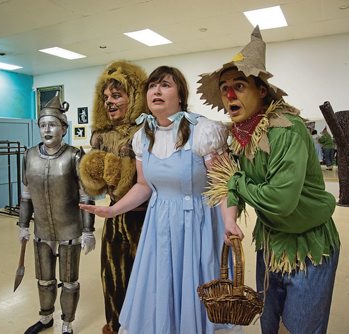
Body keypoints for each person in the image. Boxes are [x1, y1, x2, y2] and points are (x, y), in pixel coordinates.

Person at [198, 26, 341, 334]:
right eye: (224, 88)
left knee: (299, 328)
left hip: (309, 247)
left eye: (239, 85)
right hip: (270, 246)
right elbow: (228, 178)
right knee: (270, 325)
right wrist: (230, 219)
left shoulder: (286, 129)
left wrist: (237, 183)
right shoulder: (238, 136)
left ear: (261, 90)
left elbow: (280, 200)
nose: (230, 94)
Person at [81, 65, 242, 334]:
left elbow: (224, 184)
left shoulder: (203, 131)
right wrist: (113, 211)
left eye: (165, 85)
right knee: (161, 289)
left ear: (180, 95)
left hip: (198, 225)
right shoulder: (142, 137)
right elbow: (144, 186)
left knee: (196, 291)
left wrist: (229, 220)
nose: (157, 90)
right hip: (159, 226)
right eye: (152, 86)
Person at [78, 61, 148, 334]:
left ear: (134, 97)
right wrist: (94, 168)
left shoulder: (146, 131)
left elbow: (148, 181)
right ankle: (115, 326)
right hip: (113, 218)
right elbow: (93, 186)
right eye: (106, 97)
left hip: (143, 219)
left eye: (117, 96)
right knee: (112, 278)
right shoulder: (101, 135)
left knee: (142, 278)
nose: (110, 102)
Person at [18, 96, 96, 334]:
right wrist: (23, 225)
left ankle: (67, 323)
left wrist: (88, 230)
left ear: (64, 128)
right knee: (44, 279)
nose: (47, 130)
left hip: (70, 229)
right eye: (43, 125)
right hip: (42, 229)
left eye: (52, 125)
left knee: (69, 281)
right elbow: (26, 194)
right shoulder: (29, 156)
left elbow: (86, 196)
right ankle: (45, 318)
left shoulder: (74, 156)